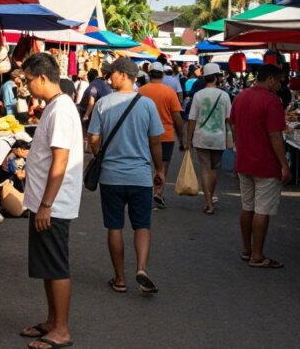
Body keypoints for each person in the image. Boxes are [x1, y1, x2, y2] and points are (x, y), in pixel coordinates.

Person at [17, 53, 84, 349]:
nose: (26, 86)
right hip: (45, 201)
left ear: (43, 78)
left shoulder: (60, 109)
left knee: (56, 266)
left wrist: (46, 204)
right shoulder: (56, 107)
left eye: (29, 80)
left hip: (53, 204)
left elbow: (61, 160)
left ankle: (62, 329)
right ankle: (52, 321)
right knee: (47, 265)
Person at [88, 57, 164, 295]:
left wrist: (99, 154)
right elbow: (155, 141)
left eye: (111, 74)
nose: (109, 78)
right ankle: (141, 268)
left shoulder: (103, 104)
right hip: (140, 176)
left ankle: (120, 279)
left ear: (123, 74)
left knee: (115, 226)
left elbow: (93, 139)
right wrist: (159, 169)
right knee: (142, 225)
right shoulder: (147, 105)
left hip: (111, 176)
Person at [229, 64, 289, 269]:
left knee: (247, 207)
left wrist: (244, 140)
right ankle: (257, 255)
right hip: (265, 163)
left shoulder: (241, 97)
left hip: (244, 161)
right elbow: (275, 135)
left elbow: (233, 124)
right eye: (279, 80)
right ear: (271, 79)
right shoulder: (272, 102)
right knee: (262, 209)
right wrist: (284, 164)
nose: (280, 85)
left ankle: (247, 250)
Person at [139, 62, 186, 209]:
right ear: (162, 74)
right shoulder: (169, 92)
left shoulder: (141, 91)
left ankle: (144, 195)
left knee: (145, 164)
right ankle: (158, 193)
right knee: (162, 167)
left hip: (144, 134)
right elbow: (177, 117)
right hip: (165, 135)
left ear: (149, 74)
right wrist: (181, 137)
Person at [187, 63, 231, 215]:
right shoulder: (224, 95)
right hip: (219, 137)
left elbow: (192, 119)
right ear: (218, 77)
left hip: (201, 137)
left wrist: (188, 139)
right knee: (214, 169)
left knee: (205, 169)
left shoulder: (198, 95)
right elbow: (228, 119)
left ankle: (208, 203)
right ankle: (211, 198)